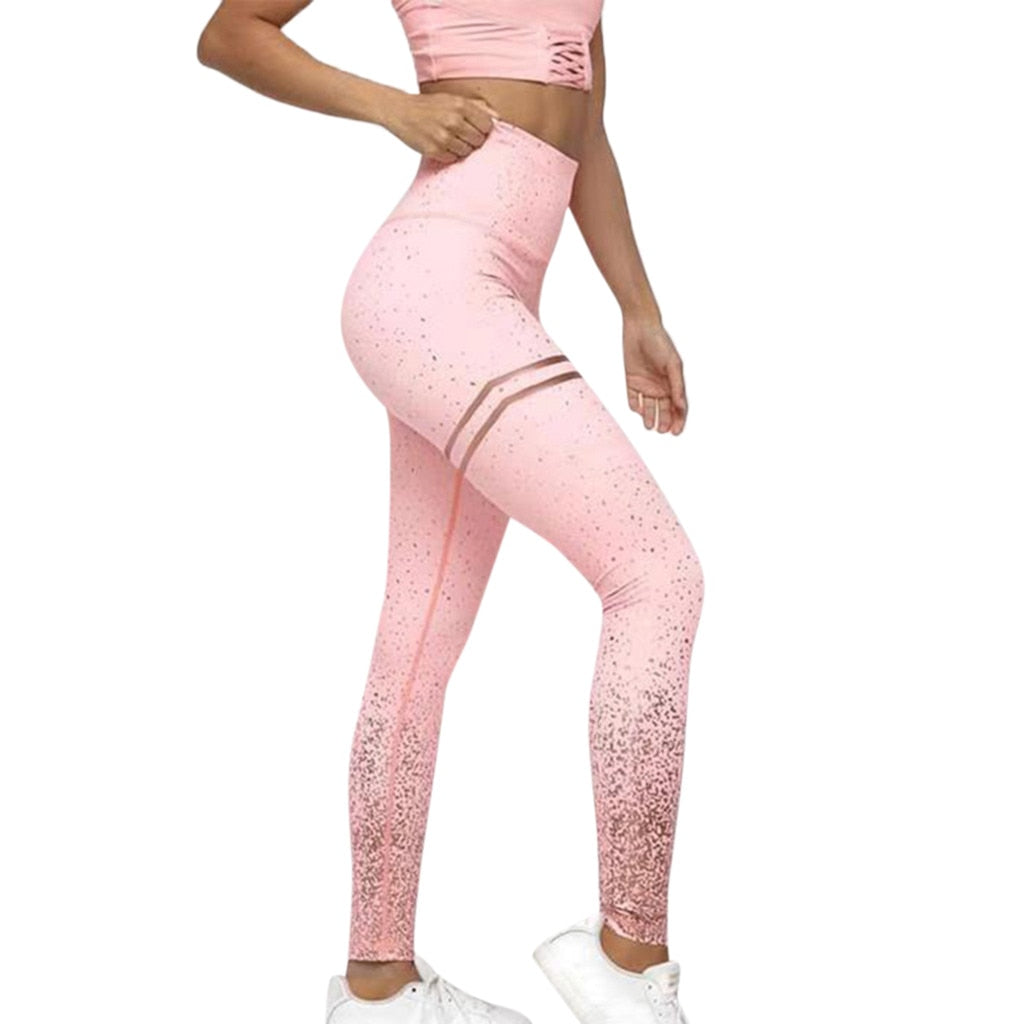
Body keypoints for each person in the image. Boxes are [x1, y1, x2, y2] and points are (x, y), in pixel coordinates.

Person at [197, 0, 705, 1020]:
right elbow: (232, 31)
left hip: (480, 297)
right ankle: (625, 952)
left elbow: (585, 129)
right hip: (436, 287)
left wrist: (637, 308)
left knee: (416, 641)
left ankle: (377, 986)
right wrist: (391, 107)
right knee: (657, 577)